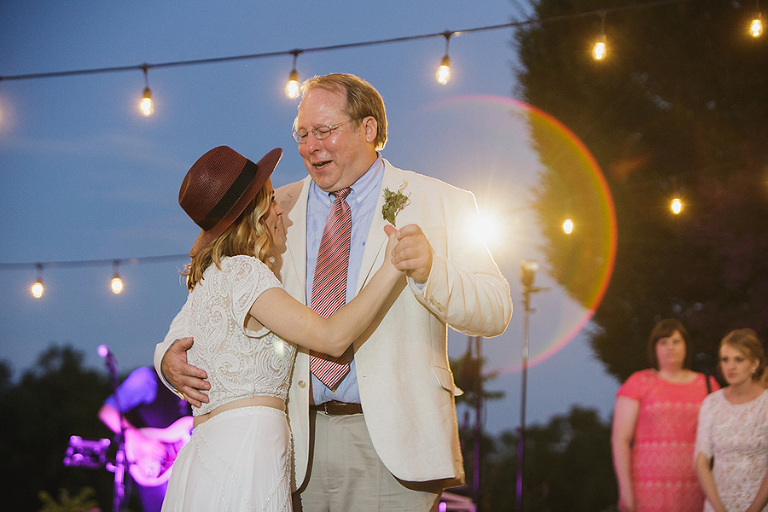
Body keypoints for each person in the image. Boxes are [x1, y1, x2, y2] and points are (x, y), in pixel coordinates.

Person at [156, 73, 513, 511]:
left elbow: (495, 310)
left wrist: (430, 271)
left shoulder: (441, 202)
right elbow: (206, 299)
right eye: (302, 134)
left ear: (369, 129)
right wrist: (167, 356)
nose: (310, 146)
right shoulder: (271, 207)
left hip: (393, 444)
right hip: (290, 447)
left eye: (323, 131)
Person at [159, 144, 404, 512]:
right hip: (247, 457)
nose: (280, 209)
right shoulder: (246, 273)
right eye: (271, 200)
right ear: (255, 216)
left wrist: (163, 357)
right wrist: (392, 267)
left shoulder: (209, 277)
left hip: (209, 455)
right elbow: (332, 337)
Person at [611, 318, 718, 512]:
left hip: (698, 490)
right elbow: (620, 439)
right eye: (663, 342)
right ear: (654, 348)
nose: (671, 348)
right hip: (648, 493)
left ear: (686, 345)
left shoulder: (707, 385)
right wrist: (625, 493)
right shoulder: (639, 382)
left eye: (676, 341)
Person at [98, 366, 192, 512]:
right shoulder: (146, 378)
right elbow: (108, 413)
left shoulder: (195, 383)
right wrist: (141, 440)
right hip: (154, 471)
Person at [694, 328, 768, 512]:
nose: (730, 366)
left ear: (755, 364)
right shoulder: (711, 403)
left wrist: (754, 508)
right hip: (717, 505)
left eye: (739, 359)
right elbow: (701, 460)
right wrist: (718, 508)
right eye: (725, 359)